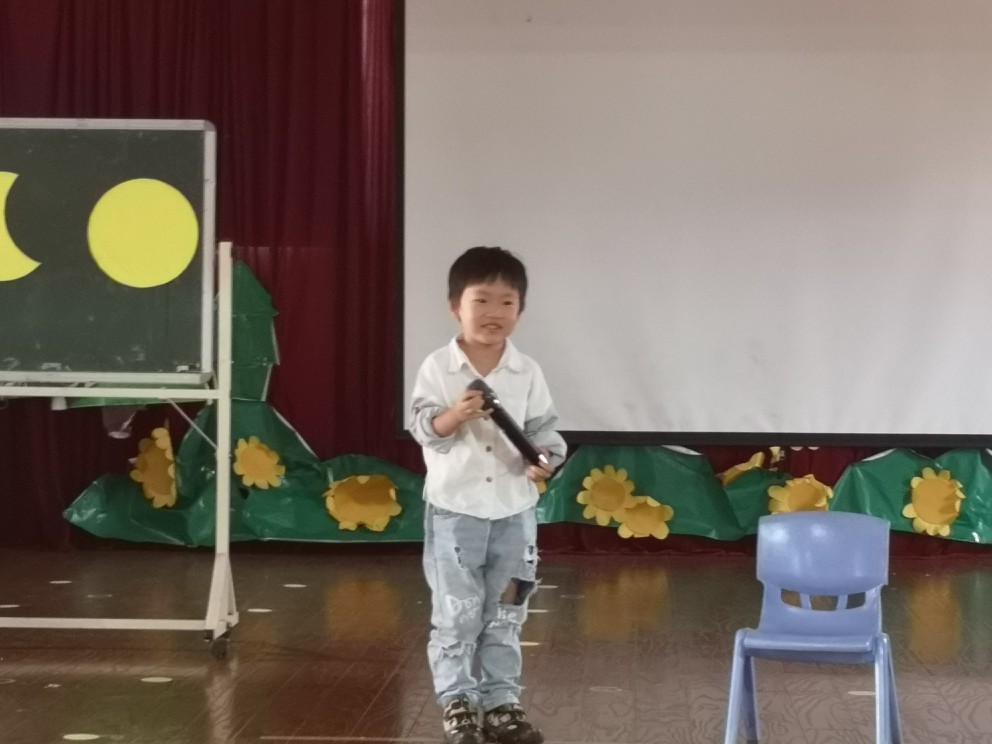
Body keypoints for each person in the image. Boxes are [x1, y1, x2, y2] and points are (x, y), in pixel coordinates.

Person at [409, 246, 567, 744]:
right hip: (455, 514)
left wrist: (545, 459)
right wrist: (455, 415)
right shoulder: (438, 366)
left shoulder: (528, 371)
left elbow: (546, 432)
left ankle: (502, 702)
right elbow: (423, 428)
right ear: (455, 306)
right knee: (457, 613)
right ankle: (458, 701)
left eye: (507, 302)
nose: (494, 312)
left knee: (507, 609)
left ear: (520, 310)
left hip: (515, 515)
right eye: (481, 300)